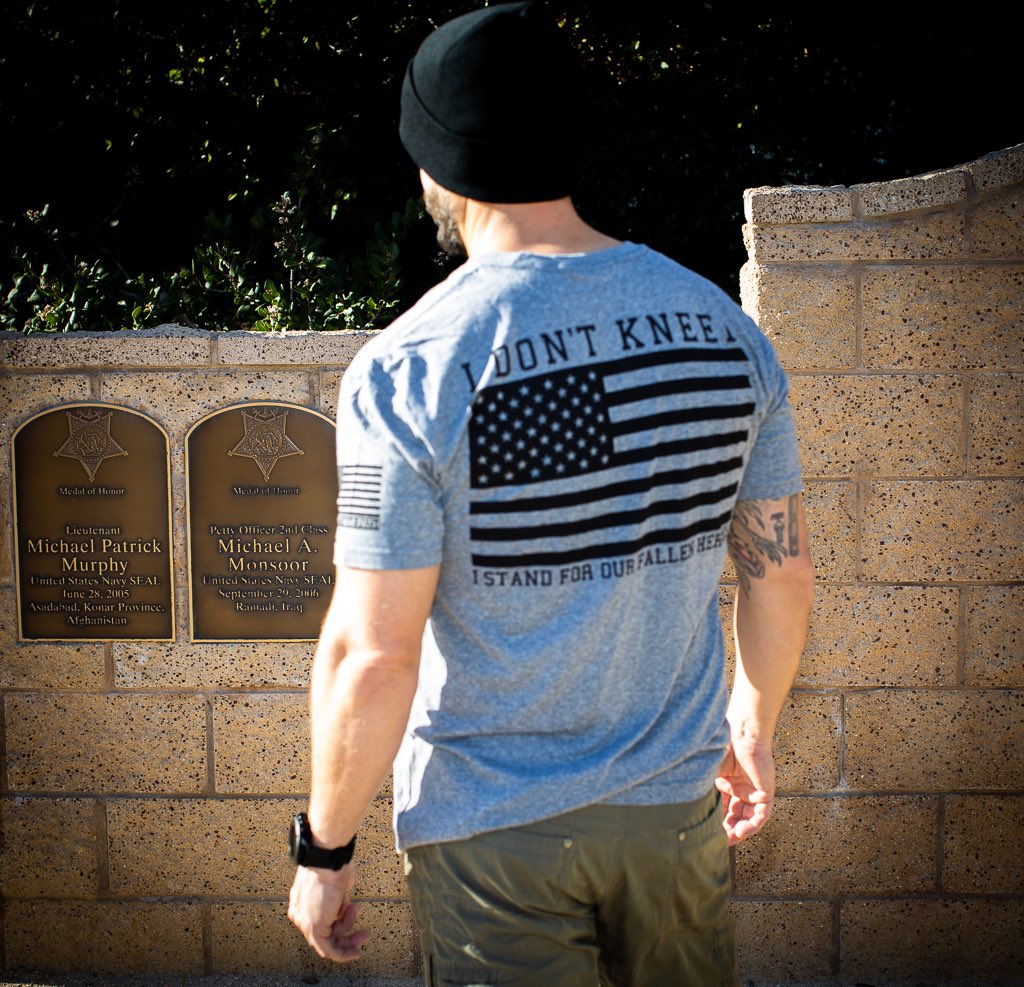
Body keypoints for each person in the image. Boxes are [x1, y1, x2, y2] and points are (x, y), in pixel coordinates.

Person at [287, 3, 814, 984]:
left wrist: (325, 849)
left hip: (492, 835)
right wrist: (750, 722)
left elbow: (373, 650)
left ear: (432, 171)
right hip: (672, 816)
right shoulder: (726, 333)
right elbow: (779, 574)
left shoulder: (407, 369)